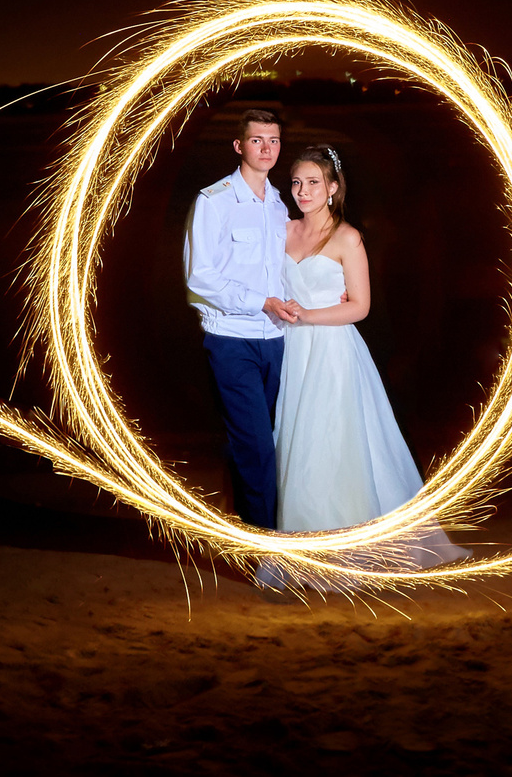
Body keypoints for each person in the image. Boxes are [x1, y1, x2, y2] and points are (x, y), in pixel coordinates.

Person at [257, 145, 469, 586]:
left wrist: (308, 315)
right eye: (296, 182)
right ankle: (301, 547)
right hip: (291, 351)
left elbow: (361, 306)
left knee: (333, 444)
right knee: (295, 444)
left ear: (333, 188)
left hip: (332, 352)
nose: (302, 191)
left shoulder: (347, 238)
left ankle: (347, 547)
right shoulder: (282, 230)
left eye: (313, 182)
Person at [182, 110, 298, 528]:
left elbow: (288, 267)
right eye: (257, 140)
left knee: (265, 443)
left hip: (279, 340)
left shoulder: (279, 204)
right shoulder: (214, 200)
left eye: (274, 140)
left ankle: (244, 525)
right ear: (239, 146)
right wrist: (261, 302)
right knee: (256, 446)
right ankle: (266, 549)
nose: (267, 149)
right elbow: (200, 277)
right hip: (232, 340)